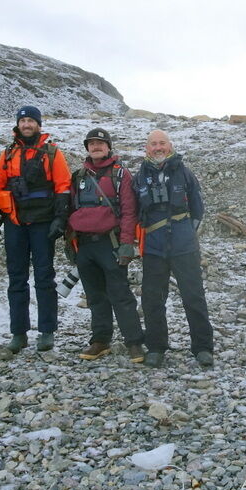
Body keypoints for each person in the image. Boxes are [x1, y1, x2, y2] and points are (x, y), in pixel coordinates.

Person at [0, 106, 71, 354]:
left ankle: (47, 331)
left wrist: (60, 218)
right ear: (18, 125)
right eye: (23, 121)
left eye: (31, 120)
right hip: (15, 222)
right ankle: (18, 333)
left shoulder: (52, 153)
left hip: (43, 223)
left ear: (39, 125)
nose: (26, 125)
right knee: (16, 278)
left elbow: (63, 186)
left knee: (44, 277)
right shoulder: (7, 154)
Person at [133, 129, 213, 368]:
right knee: (152, 299)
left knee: (193, 296)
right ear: (147, 149)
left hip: (184, 246)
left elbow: (197, 209)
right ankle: (156, 348)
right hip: (154, 247)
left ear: (170, 145)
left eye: (162, 143)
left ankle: (203, 347)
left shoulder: (185, 173)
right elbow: (134, 213)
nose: (158, 147)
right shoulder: (139, 177)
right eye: (153, 144)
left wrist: (187, 233)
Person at [68, 128, 144, 362]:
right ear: (87, 148)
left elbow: (129, 212)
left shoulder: (121, 174)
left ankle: (134, 342)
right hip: (85, 245)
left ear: (109, 147)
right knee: (95, 296)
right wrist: (70, 244)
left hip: (110, 243)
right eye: (91, 143)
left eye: (100, 143)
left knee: (120, 294)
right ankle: (100, 341)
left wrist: (126, 244)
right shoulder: (79, 176)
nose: (96, 146)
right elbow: (71, 209)